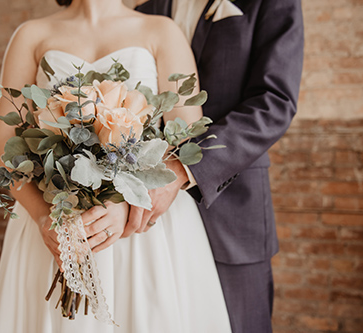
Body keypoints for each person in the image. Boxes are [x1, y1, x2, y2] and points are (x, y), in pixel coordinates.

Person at [0, 0, 231, 332]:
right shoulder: (30, 35)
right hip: (58, 218)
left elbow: (187, 139)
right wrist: (45, 217)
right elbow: (4, 142)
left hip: (143, 230)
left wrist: (123, 202)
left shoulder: (162, 31)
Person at [124, 0, 304, 332]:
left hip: (232, 213)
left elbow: (275, 101)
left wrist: (181, 169)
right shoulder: (145, 8)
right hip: (148, 225)